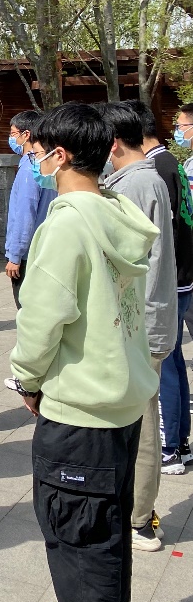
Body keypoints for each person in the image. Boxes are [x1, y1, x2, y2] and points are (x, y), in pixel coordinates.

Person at [10, 102, 158, 602]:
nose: (33, 161)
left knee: (78, 532)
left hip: (80, 409)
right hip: (121, 399)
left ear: (61, 155)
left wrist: (27, 379)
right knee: (107, 524)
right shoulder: (116, 211)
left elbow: (42, 320)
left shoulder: (68, 223)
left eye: (35, 152)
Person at [98, 102, 177, 552]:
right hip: (149, 318)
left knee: (142, 425)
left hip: (141, 323)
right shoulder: (147, 178)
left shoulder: (133, 184)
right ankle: (140, 512)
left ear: (112, 144)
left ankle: (139, 518)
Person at [127, 98, 193, 475]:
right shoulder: (171, 163)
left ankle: (170, 447)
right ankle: (180, 443)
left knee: (164, 365)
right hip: (182, 277)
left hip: (171, 280)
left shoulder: (156, 169)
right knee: (175, 363)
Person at [4, 110, 55, 309]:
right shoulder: (45, 165)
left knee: (27, 310)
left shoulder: (28, 168)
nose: (11, 139)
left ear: (26, 135)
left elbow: (25, 214)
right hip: (44, 249)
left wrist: (15, 255)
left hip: (28, 255)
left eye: (13, 133)